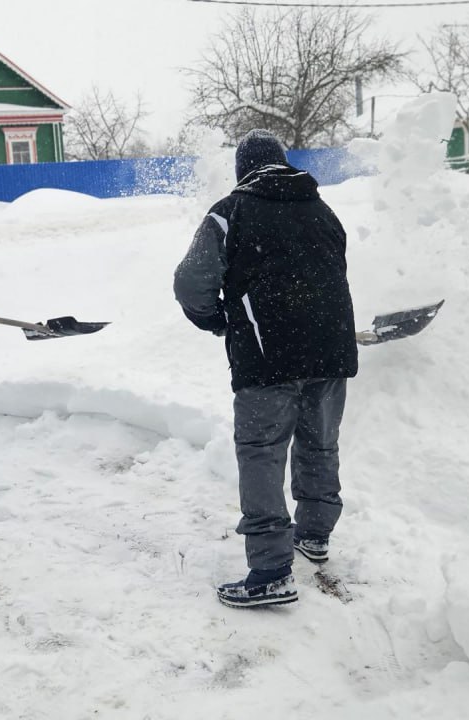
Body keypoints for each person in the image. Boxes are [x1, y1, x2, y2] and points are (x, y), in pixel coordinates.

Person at [173, 129, 358, 607]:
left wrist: (218, 320)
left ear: (242, 170)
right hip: (331, 350)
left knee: (261, 452)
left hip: (267, 355)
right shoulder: (322, 209)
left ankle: (272, 570)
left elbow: (191, 282)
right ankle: (315, 533)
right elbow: (332, 271)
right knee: (320, 443)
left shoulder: (231, 211)